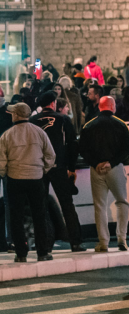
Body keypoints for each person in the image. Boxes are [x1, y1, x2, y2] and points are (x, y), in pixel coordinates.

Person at [0, 103, 56, 262]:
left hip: (15, 179)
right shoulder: (39, 132)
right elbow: (51, 155)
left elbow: (1, 161)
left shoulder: (7, 135)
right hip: (36, 179)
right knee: (39, 215)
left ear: (16, 115)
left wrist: (5, 174)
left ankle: (21, 254)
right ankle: (42, 252)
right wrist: (42, 170)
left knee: (16, 217)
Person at [32, 91, 83, 252]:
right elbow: (72, 144)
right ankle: (75, 241)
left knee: (40, 207)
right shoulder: (62, 119)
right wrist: (71, 167)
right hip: (59, 167)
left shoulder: (32, 121)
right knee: (67, 204)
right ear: (53, 103)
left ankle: (44, 244)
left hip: (39, 168)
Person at [80, 96, 129, 252]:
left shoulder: (89, 125)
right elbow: (127, 149)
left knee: (100, 205)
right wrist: (112, 162)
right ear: (113, 107)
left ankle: (103, 242)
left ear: (100, 107)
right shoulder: (121, 125)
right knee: (122, 202)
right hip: (115, 168)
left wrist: (95, 163)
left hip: (96, 169)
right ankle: (122, 238)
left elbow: (83, 149)